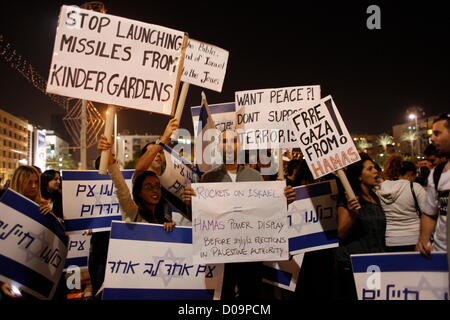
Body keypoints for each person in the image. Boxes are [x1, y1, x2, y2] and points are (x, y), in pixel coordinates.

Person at [181, 130, 296, 300]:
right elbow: (203, 217)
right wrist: (191, 202)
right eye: (224, 141)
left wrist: (283, 201)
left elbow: (266, 211)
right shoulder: (208, 178)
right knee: (224, 296)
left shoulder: (255, 176)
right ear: (218, 147)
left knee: (251, 296)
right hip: (221, 254)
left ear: (240, 146)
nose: (229, 145)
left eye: (233, 141)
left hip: (250, 254)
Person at [1, 166, 66, 300]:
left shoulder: (44, 208)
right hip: (14, 280)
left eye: (36, 182)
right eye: (29, 182)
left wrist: (52, 218)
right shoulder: (5, 207)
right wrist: (2, 282)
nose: (34, 186)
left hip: (43, 276)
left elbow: (59, 239)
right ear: (19, 182)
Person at [335, 153, 386, 300]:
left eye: (375, 167)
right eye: (370, 169)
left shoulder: (375, 197)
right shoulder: (349, 200)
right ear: (359, 176)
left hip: (375, 263)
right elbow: (342, 233)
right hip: (354, 265)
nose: (376, 171)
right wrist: (353, 213)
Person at [416, 113, 450, 256]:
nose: (432, 138)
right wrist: (423, 241)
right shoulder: (436, 173)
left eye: (437, 133)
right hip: (441, 254)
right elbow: (430, 213)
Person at [377, 156, 425, 252]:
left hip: (390, 239)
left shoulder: (379, 188)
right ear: (409, 174)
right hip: (415, 237)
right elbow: (427, 213)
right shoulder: (415, 187)